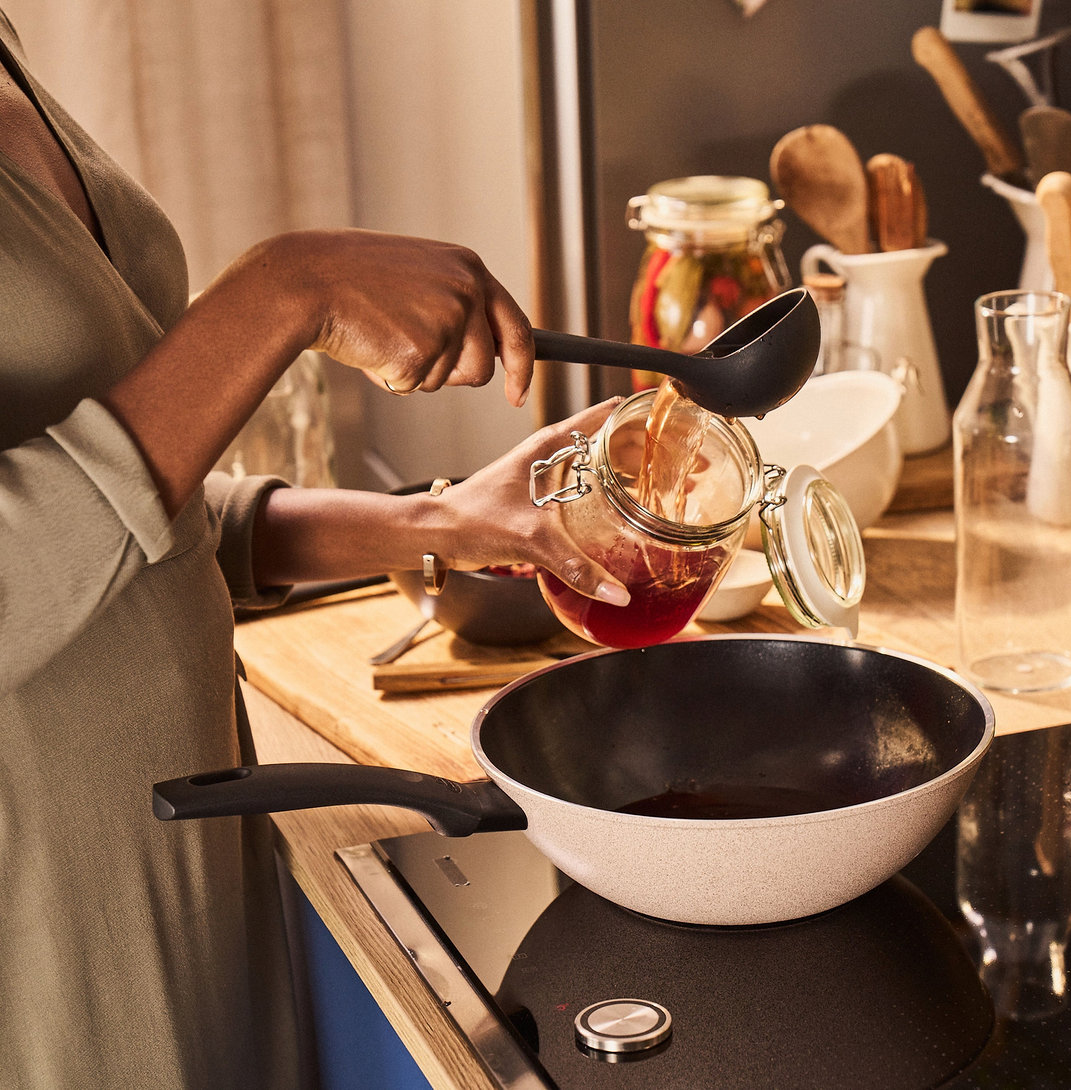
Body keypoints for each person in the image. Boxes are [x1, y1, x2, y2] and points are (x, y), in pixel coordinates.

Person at [0, 10, 629, 1088]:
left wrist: (438, 522)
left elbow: (122, 523)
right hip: (51, 928)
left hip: (194, 853)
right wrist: (282, 291)